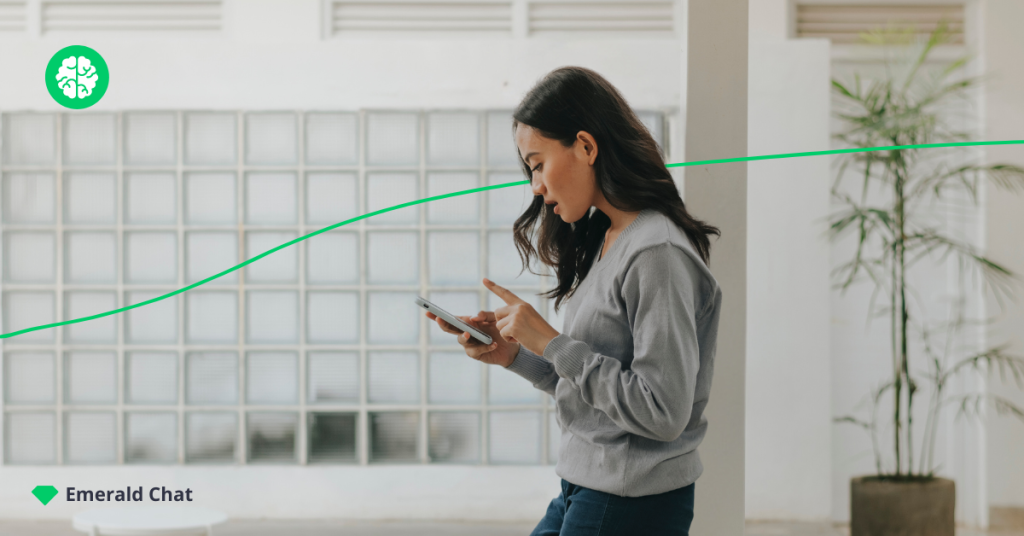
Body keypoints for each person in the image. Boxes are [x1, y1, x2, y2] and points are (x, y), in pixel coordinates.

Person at [425, 66, 723, 536]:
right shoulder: (610, 240)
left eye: (538, 164)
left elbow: (662, 412)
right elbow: (593, 388)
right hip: (586, 484)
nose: (536, 187)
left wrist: (552, 342)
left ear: (586, 146)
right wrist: (516, 354)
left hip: (630, 497)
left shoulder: (655, 252)